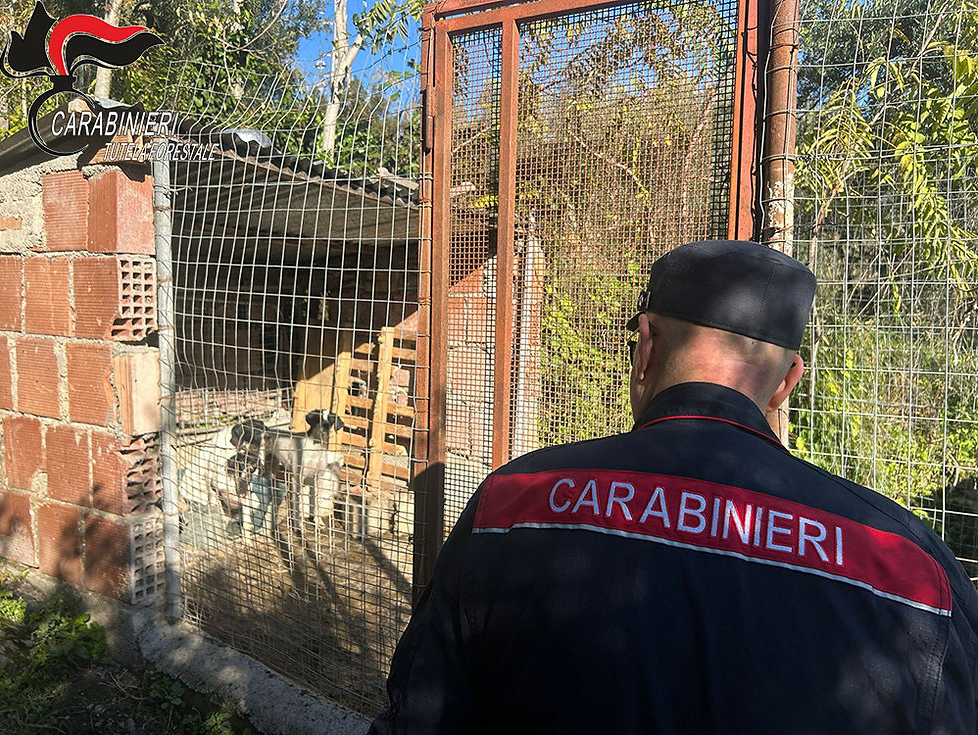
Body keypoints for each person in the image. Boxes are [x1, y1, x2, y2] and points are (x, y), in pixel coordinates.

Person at [369, 240, 978, 734]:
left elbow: (419, 717)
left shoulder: (513, 502)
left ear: (645, 346)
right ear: (787, 381)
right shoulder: (914, 573)